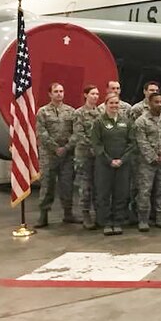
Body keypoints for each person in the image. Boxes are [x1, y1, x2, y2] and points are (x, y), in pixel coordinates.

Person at [91, 95, 134, 235]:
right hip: (104, 165)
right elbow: (97, 144)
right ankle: (106, 222)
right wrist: (109, 160)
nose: (114, 105)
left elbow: (132, 143)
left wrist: (122, 159)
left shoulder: (126, 122)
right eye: (111, 103)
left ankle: (118, 221)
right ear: (105, 104)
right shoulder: (99, 122)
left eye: (117, 103)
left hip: (123, 165)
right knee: (103, 194)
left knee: (121, 193)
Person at [35, 82, 77, 228]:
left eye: (61, 91)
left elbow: (76, 133)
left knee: (67, 185)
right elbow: (41, 133)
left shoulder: (71, 111)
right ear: (50, 94)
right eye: (56, 91)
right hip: (49, 155)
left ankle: (68, 213)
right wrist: (55, 148)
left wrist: (66, 147)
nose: (59, 94)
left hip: (66, 155)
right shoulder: (43, 112)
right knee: (47, 185)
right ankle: (43, 215)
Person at [133, 92, 161, 231]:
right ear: (150, 103)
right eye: (156, 102)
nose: (160, 105)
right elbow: (141, 141)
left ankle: (160, 217)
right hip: (147, 163)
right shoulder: (141, 121)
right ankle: (143, 219)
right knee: (145, 191)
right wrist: (153, 157)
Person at [72, 85, 101, 230]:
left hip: (99, 156)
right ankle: (85, 214)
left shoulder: (101, 113)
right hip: (85, 155)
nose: (95, 96)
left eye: (97, 94)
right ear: (85, 95)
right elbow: (79, 135)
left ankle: (98, 213)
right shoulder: (79, 113)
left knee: (98, 185)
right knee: (86, 186)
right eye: (92, 94)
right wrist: (94, 147)